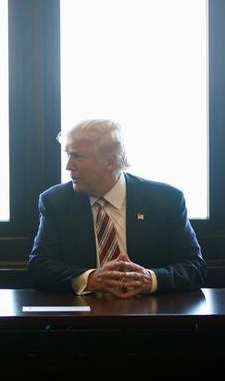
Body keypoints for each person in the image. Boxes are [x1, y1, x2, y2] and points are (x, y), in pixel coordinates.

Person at [28, 119, 206, 297]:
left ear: (110, 162)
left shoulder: (166, 200)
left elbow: (194, 267)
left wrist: (150, 279)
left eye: (78, 157)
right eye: (68, 155)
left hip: (152, 318)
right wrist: (91, 280)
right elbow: (39, 266)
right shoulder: (56, 202)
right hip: (81, 320)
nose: (68, 166)